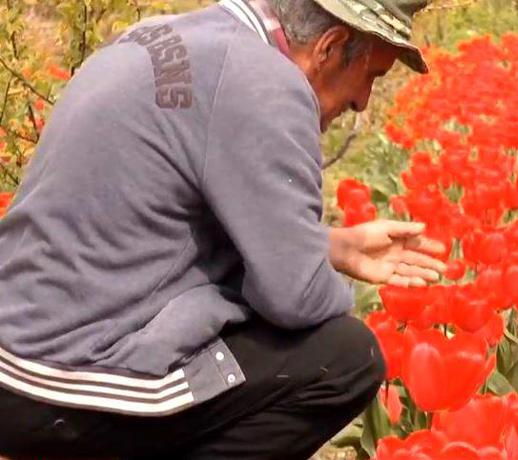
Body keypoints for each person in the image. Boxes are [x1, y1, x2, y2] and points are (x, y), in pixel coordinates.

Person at [0, 0, 443, 458]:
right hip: (64, 383)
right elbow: (297, 299)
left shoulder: (166, 37)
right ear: (332, 45)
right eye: (373, 75)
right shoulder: (265, 83)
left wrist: (329, 245)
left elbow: (151, 215)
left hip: (13, 355)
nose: (363, 101)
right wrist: (313, 271)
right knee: (346, 358)